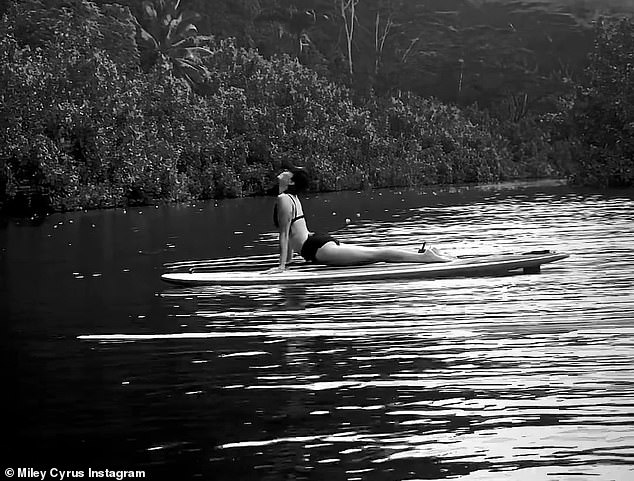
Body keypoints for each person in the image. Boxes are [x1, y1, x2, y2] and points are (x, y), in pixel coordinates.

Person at [268, 167, 453, 273]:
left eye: (288, 172)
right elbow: (292, 233)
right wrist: (289, 264)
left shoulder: (284, 199)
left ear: (291, 182)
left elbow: (284, 236)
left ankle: (426, 257)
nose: (283, 172)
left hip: (316, 248)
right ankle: (426, 254)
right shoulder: (290, 198)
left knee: (378, 255)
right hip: (316, 244)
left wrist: (281, 267)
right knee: (376, 253)